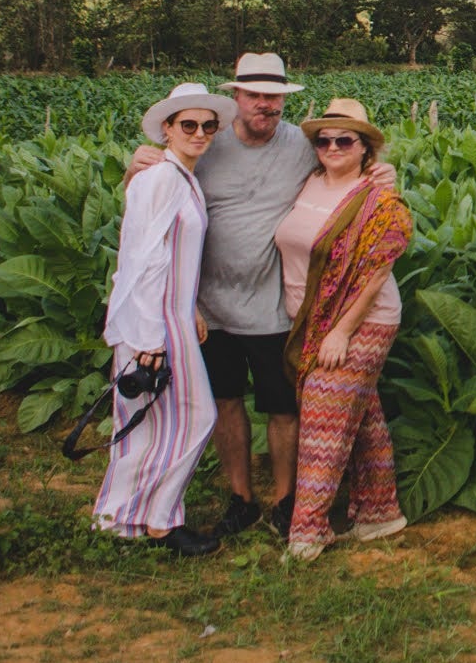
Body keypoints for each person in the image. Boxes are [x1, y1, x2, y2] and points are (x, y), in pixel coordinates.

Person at [128, 51, 321, 538]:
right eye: (254, 94)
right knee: (225, 401)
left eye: (274, 96)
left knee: (282, 407)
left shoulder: (301, 144)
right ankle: (241, 497)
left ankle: (285, 499)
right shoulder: (206, 142)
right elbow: (156, 201)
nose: (265, 104)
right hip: (208, 309)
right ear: (236, 97)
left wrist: (382, 174)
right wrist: (136, 170)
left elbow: (350, 159)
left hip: (272, 305)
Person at [94, 82, 233, 555]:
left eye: (207, 125)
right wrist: (151, 338)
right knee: (193, 417)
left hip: (172, 314)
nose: (199, 133)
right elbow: (142, 260)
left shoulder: (182, 176)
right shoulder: (160, 180)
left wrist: (188, 305)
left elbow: (174, 255)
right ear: (168, 130)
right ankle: (157, 521)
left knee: (150, 422)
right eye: (188, 125)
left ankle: (126, 518)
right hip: (151, 322)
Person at [278, 97, 412, 561]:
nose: (332, 146)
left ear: (364, 147)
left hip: (363, 321)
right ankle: (380, 513)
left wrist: (341, 331)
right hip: (313, 318)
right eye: (324, 139)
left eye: (344, 139)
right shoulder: (309, 182)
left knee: (324, 419)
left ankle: (308, 531)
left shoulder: (378, 198)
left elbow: (377, 273)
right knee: (362, 412)